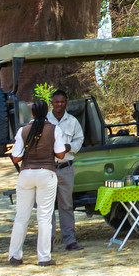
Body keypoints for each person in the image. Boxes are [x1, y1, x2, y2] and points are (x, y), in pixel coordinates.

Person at [7, 98, 69, 265]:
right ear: (47, 112)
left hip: (26, 174)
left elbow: (17, 157)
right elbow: (61, 154)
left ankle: (15, 255)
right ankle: (44, 257)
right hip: (46, 174)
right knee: (44, 218)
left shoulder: (23, 131)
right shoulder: (54, 130)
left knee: (21, 217)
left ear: (32, 113)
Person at [47, 90, 85, 252]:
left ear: (66, 102)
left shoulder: (72, 121)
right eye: (57, 102)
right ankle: (46, 242)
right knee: (47, 207)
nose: (59, 105)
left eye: (62, 102)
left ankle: (70, 240)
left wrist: (69, 147)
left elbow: (79, 139)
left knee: (66, 206)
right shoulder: (44, 121)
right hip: (48, 169)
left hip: (66, 168)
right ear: (52, 103)